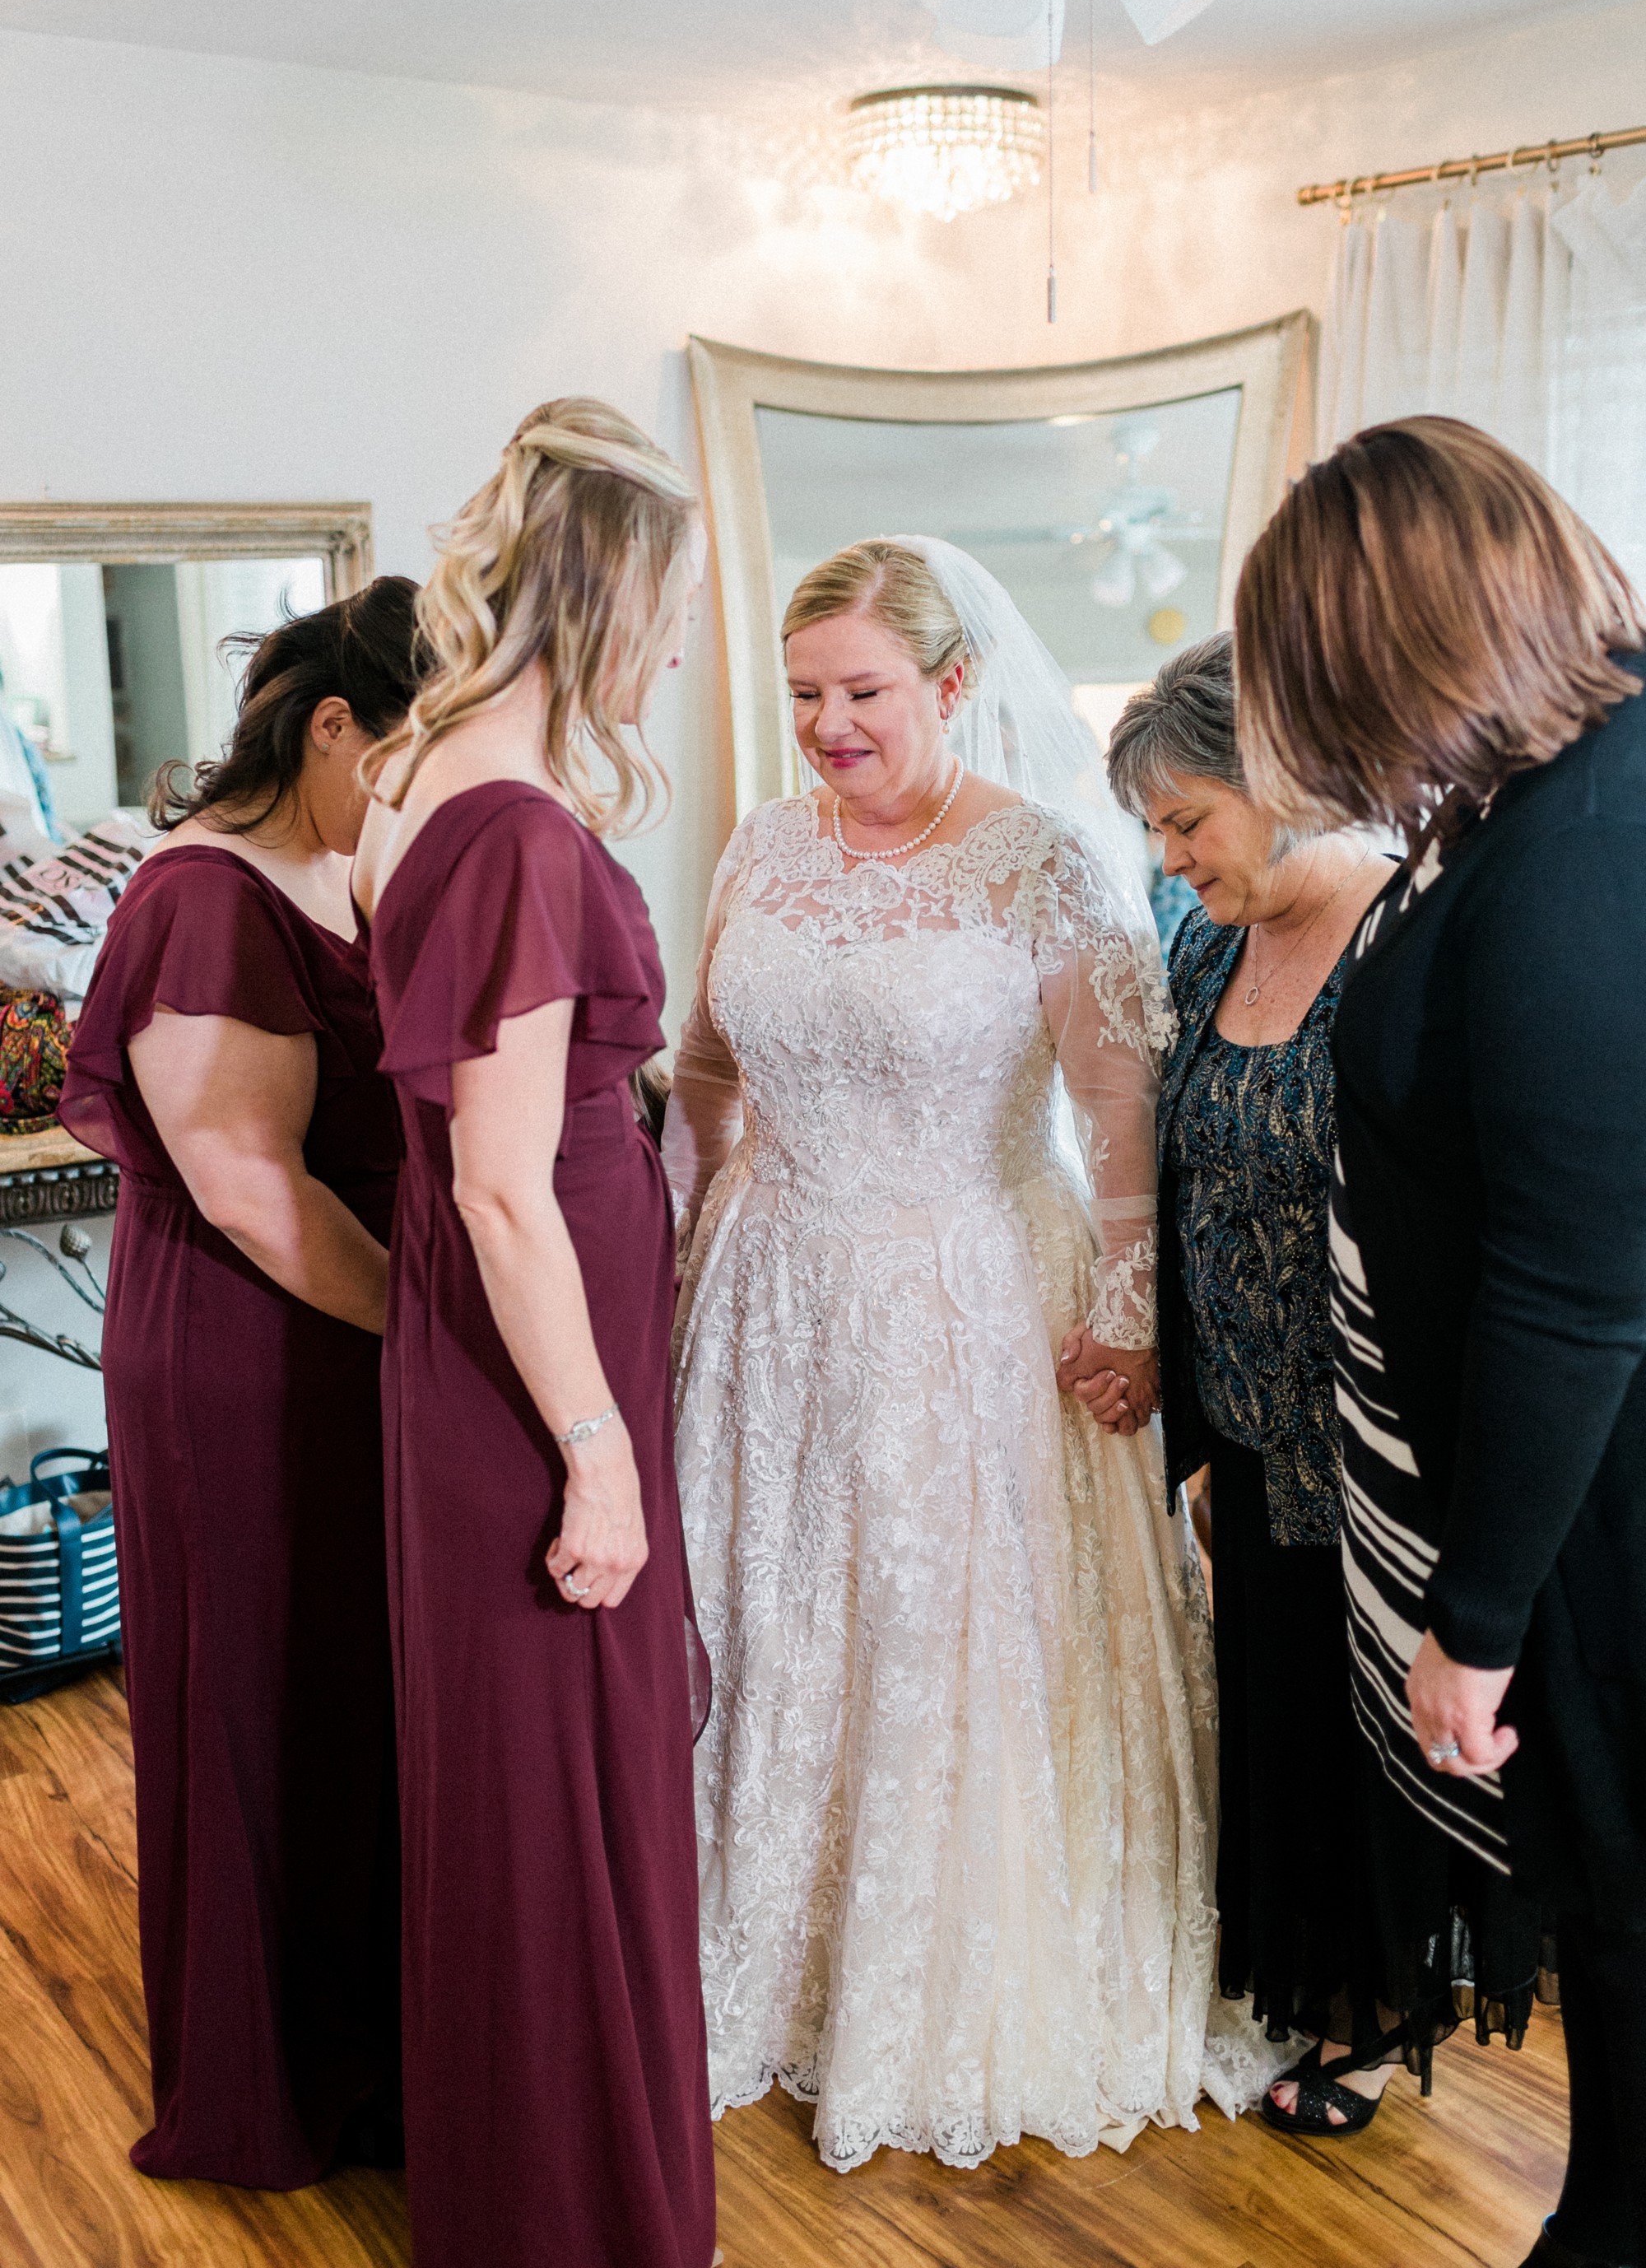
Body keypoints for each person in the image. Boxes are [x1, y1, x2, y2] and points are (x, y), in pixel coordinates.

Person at [664, 535, 1276, 2177]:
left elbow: (1118, 1102)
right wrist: (676, 1238)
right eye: (804, 695)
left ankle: (939, 1971)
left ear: (948, 683)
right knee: (786, 1616)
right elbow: (708, 1061)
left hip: (967, 1297)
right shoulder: (759, 845)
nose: (827, 727)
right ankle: (779, 1954)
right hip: (771, 1296)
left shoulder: (1043, 860)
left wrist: (1136, 1312)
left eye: (860, 691)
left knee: (940, 1628)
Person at [1235, 414, 1646, 2268]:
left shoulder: (1578, 841)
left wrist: (1469, 1625)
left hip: (1596, 1514)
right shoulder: (1553, 797)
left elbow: (1574, 1281)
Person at [351, 401, 717, 2268]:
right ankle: (571, 2213)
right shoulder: (501, 821)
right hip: (526, 1355)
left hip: (489, 1326)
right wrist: (597, 1450)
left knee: (528, 1773)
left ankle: (541, 2181)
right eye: (669, 608)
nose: (675, 650)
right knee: (555, 1773)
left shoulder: (418, 776)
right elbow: (501, 1182)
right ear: (606, 590)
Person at [1109, 636, 1538, 2137]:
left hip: (1384, 1423)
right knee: (1282, 1713)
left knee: (1375, 1723)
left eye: (1188, 822)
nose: (1170, 857)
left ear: (1278, 783)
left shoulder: (1407, 932)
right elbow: (1175, 1176)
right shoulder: (1201, 948)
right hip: (1243, 1410)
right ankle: (1305, 1982)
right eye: (1154, 829)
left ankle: (1380, 2010)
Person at [57, 579, 424, 2186]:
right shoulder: (206, 894)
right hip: (251, 1347)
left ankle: (363, 2045)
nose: (419, 788)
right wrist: (437, 1330)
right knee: (261, 1699)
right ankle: (272, 2078)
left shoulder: (333, 870)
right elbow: (249, 1181)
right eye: (408, 749)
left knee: (346, 1697)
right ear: (332, 723)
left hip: (334, 1337)